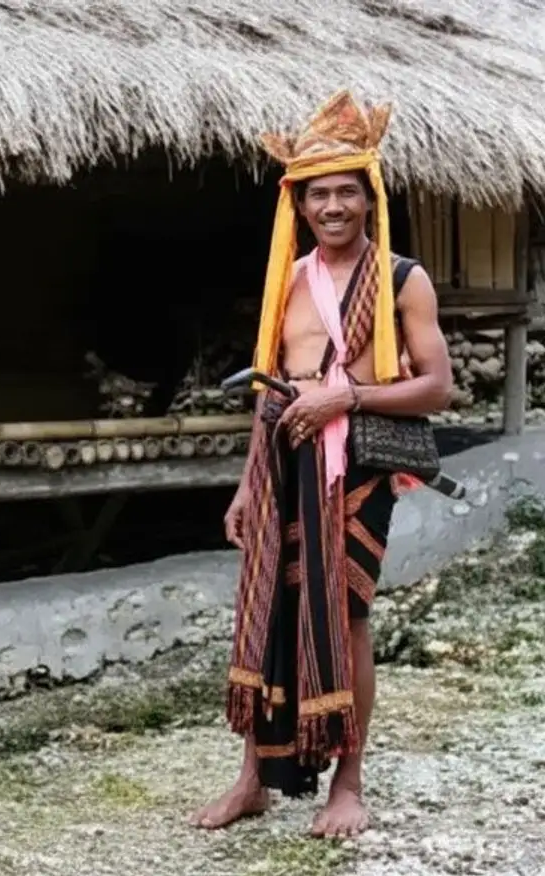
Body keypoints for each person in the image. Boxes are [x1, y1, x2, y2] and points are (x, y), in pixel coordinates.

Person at [189, 91, 453, 839]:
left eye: (347, 191)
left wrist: (347, 397)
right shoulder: (287, 281)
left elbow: (438, 384)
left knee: (348, 616)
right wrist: (246, 484)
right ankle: (254, 779)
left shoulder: (405, 279)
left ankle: (349, 782)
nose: (333, 206)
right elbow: (270, 391)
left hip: (358, 468)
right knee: (265, 609)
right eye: (318, 194)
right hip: (281, 462)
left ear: (368, 199)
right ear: (299, 205)